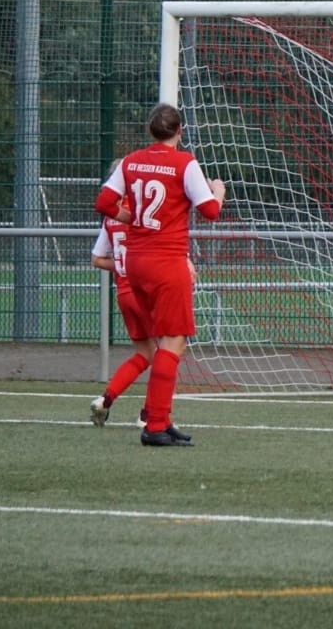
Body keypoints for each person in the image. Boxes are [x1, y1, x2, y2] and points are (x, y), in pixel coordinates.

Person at [96, 103, 224, 447]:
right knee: (173, 341)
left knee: (163, 343)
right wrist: (219, 191)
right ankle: (155, 425)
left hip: (135, 264)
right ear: (180, 131)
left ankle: (161, 421)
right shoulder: (185, 163)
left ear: (150, 131)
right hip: (166, 261)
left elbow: (104, 203)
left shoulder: (130, 161)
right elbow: (210, 212)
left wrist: (132, 218)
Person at [88, 162, 157, 429]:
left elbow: (96, 259)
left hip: (124, 293)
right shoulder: (143, 213)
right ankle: (148, 415)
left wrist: (122, 265)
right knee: (168, 352)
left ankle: (105, 400)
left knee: (144, 353)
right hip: (145, 292)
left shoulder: (111, 218)